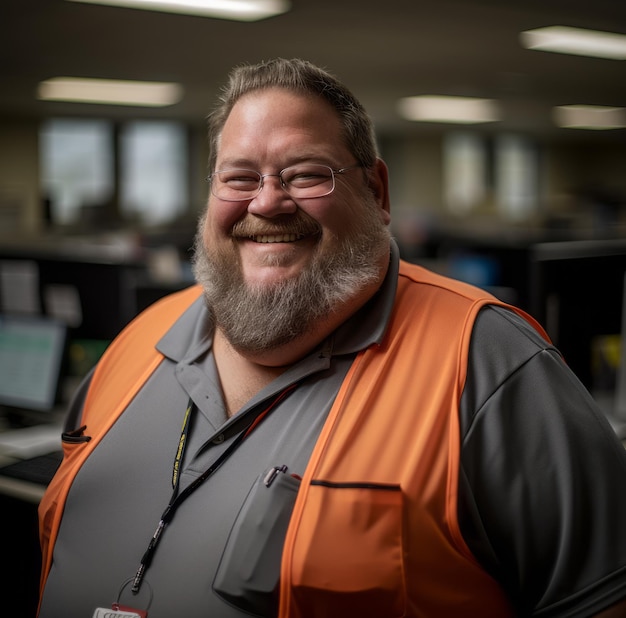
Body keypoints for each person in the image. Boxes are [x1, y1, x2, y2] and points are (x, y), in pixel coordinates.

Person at [38, 58, 626, 618]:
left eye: (307, 173)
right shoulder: (140, 338)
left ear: (377, 192)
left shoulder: (489, 362)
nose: (267, 201)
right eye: (239, 177)